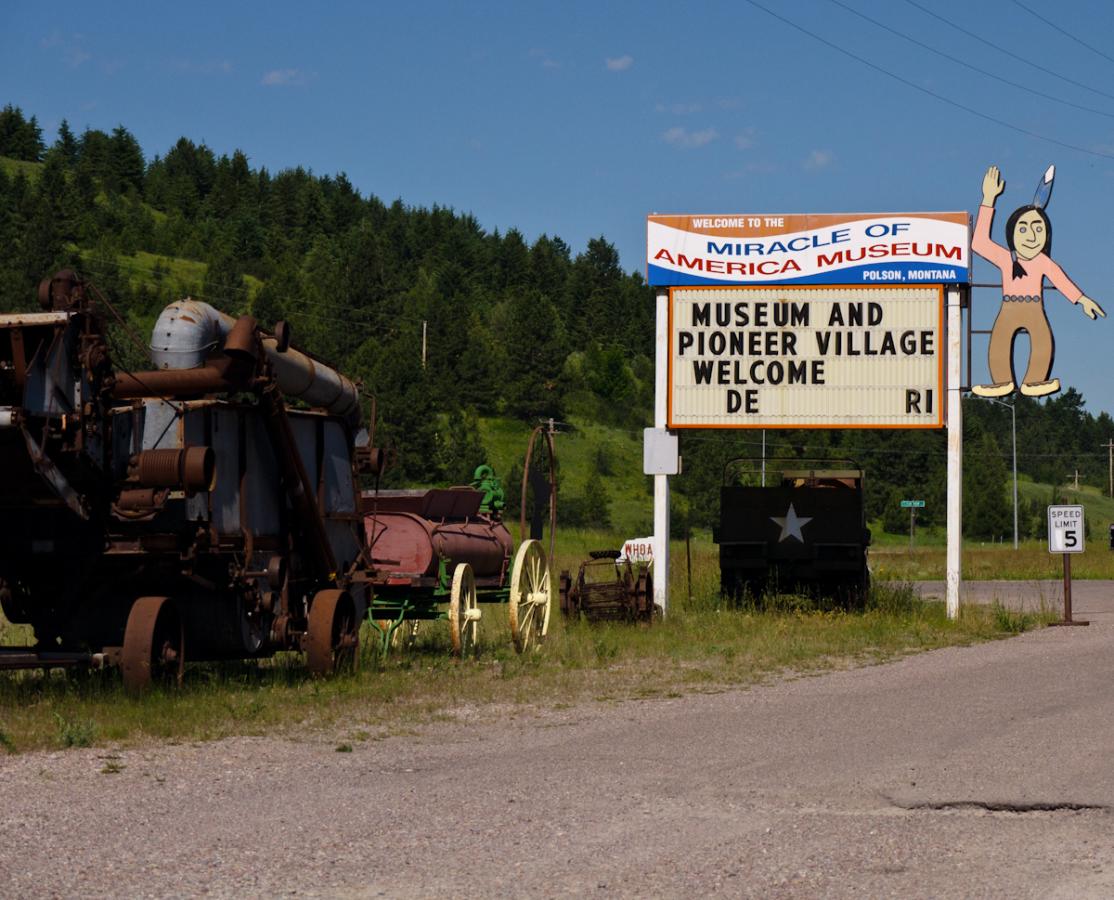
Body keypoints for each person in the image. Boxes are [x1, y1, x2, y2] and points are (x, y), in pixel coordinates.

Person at [971, 164, 1104, 398]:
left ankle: (1035, 380)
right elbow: (979, 243)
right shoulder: (1005, 258)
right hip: (1008, 308)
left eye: (1037, 228)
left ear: (1046, 235)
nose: (1031, 236)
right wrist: (988, 199)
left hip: (1034, 307)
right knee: (1000, 339)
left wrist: (1081, 299)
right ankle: (1002, 380)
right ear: (1011, 233)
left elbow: (1060, 279)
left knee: (1042, 338)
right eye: (1023, 228)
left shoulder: (1043, 262)